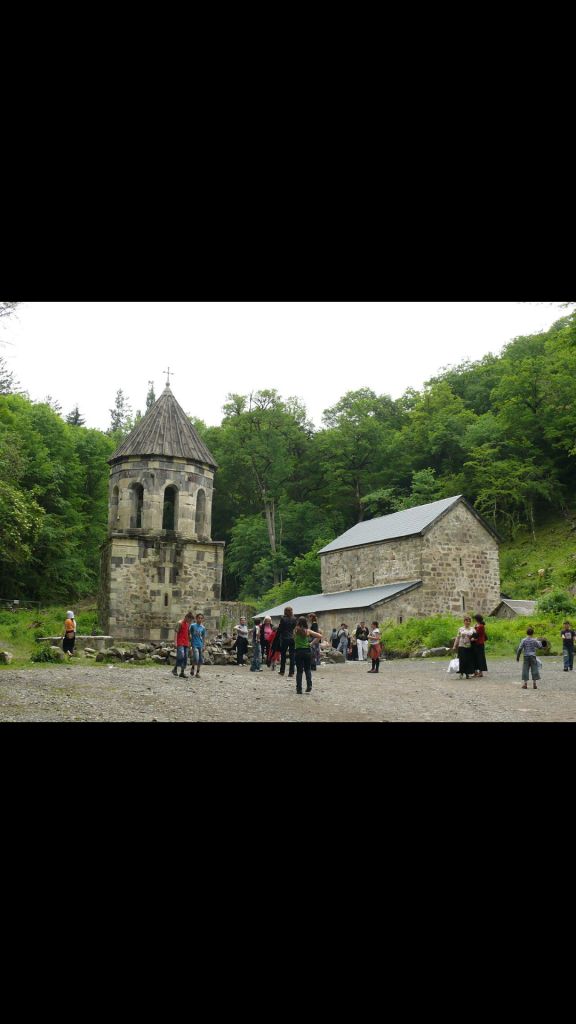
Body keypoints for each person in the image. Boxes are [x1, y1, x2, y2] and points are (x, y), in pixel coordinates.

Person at [293, 616, 323, 694]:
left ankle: (299, 689)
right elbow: (320, 636)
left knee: (299, 671)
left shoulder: (295, 630)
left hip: (298, 651)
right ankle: (309, 685)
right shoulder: (308, 631)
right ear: (306, 623)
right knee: (307, 669)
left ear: (298, 622)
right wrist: (311, 643)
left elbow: (293, 639)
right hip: (307, 651)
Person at [276, 606, 297, 677]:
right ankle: (291, 672)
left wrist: (277, 636)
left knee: (283, 655)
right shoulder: (294, 618)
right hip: (292, 638)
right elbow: (294, 627)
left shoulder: (283, 618)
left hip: (284, 638)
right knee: (292, 655)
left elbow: (280, 628)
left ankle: (282, 671)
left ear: (285, 611)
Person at [173, 611, 193, 678]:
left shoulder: (188, 624)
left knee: (185, 658)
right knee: (181, 655)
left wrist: (190, 641)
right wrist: (175, 642)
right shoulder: (179, 623)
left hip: (186, 643)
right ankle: (175, 668)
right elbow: (176, 632)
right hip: (180, 642)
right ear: (186, 617)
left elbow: (188, 633)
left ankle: (182, 672)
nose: (190, 621)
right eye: (189, 619)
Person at [189, 612, 206, 678]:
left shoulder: (203, 628)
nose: (200, 619)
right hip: (194, 644)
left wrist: (204, 645)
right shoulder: (193, 626)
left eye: (201, 618)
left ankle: (197, 672)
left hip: (200, 644)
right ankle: (193, 667)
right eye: (199, 618)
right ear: (196, 618)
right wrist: (189, 640)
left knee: (200, 659)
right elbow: (189, 633)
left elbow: (204, 637)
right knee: (196, 657)